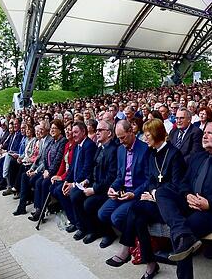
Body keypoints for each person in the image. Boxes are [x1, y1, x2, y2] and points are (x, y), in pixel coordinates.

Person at [107, 118, 187, 278]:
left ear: (156, 134)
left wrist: (155, 195)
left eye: (147, 135)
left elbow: (177, 186)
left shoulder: (174, 154)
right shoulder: (152, 153)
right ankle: (150, 263)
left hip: (171, 205)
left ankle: (128, 249)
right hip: (154, 200)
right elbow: (150, 179)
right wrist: (151, 192)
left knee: (135, 208)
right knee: (138, 218)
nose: (144, 138)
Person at [156, 121, 212, 279]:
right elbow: (184, 182)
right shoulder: (197, 157)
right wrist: (187, 195)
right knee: (162, 192)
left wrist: (209, 203)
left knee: (184, 232)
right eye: (204, 133)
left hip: (211, 211)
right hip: (190, 202)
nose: (204, 136)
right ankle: (182, 231)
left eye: (210, 133)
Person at [98, 120, 150, 248]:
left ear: (131, 131)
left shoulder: (145, 149)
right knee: (102, 214)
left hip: (137, 193)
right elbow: (120, 176)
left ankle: (136, 242)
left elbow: (149, 180)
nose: (120, 142)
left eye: (123, 137)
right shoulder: (120, 150)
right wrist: (112, 188)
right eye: (118, 138)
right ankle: (133, 238)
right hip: (123, 191)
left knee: (116, 217)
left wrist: (134, 194)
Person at [75, 119, 119, 245]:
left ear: (109, 133)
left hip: (106, 189)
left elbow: (111, 177)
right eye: (97, 130)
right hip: (95, 184)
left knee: (89, 203)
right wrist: (87, 180)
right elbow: (93, 167)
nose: (97, 132)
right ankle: (89, 229)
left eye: (100, 130)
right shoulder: (100, 147)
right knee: (75, 195)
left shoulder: (113, 150)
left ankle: (108, 233)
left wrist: (94, 189)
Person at [54, 121, 97, 238]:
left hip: (86, 181)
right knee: (59, 190)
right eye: (72, 132)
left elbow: (86, 169)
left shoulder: (89, 145)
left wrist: (73, 184)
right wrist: (67, 181)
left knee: (74, 194)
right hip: (76, 180)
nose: (73, 135)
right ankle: (75, 221)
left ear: (83, 132)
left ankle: (84, 227)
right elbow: (72, 167)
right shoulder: (78, 145)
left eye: (76, 132)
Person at [28, 119, 67, 222]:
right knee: (38, 182)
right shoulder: (52, 141)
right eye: (52, 128)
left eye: (55, 128)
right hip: (48, 170)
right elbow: (45, 157)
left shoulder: (62, 141)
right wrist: (46, 170)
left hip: (56, 172)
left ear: (60, 130)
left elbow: (58, 160)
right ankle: (38, 209)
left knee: (44, 183)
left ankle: (41, 212)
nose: (53, 130)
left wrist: (49, 172)